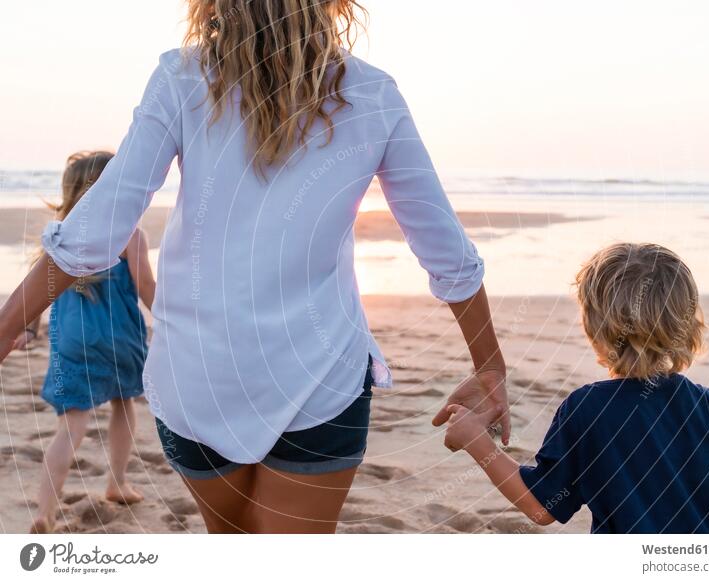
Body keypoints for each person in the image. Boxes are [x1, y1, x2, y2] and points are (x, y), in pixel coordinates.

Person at [0, 0, 509, 533]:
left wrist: (8, 326)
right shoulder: (373, 93)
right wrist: (489, 366)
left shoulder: (181, 78)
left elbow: (96, 230)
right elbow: (443, 248)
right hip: (319, 376)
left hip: (197, 380)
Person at [444, 243, 709, 533]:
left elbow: (541, 506)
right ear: (688, 323)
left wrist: (478, 441)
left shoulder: (586, 410)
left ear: (593, 326)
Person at [15, 151, 156, 534]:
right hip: (120, 341)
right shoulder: (128, 235)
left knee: (71, 427)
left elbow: (35, 294)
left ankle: (45, 510)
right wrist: (172, 319)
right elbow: (145, 287)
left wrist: (27, 331)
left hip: (72, 345)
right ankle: (117, 481)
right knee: (124, 404)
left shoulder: (58, 239)